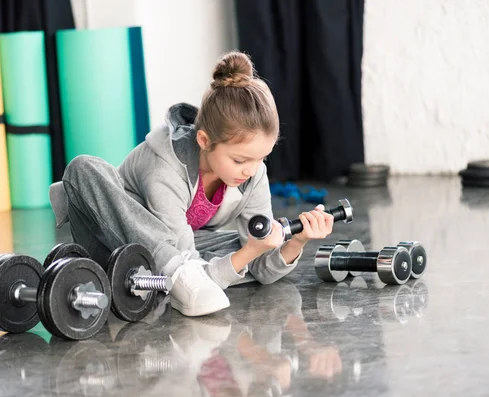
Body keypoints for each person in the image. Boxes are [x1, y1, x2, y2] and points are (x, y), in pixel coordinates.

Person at [49, 51, 334, 317]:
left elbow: (262, 268)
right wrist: (219, 262)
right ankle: (179, 277)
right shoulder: (164, 166)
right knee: (83, 167)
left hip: (174, 258)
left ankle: (184, 277)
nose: (250, 170)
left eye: (261, 158)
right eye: (239, 160)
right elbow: (184, 256)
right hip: (114, 245)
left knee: (244, 244)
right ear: (204, 141)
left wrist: (295, 242)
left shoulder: (253, 172)